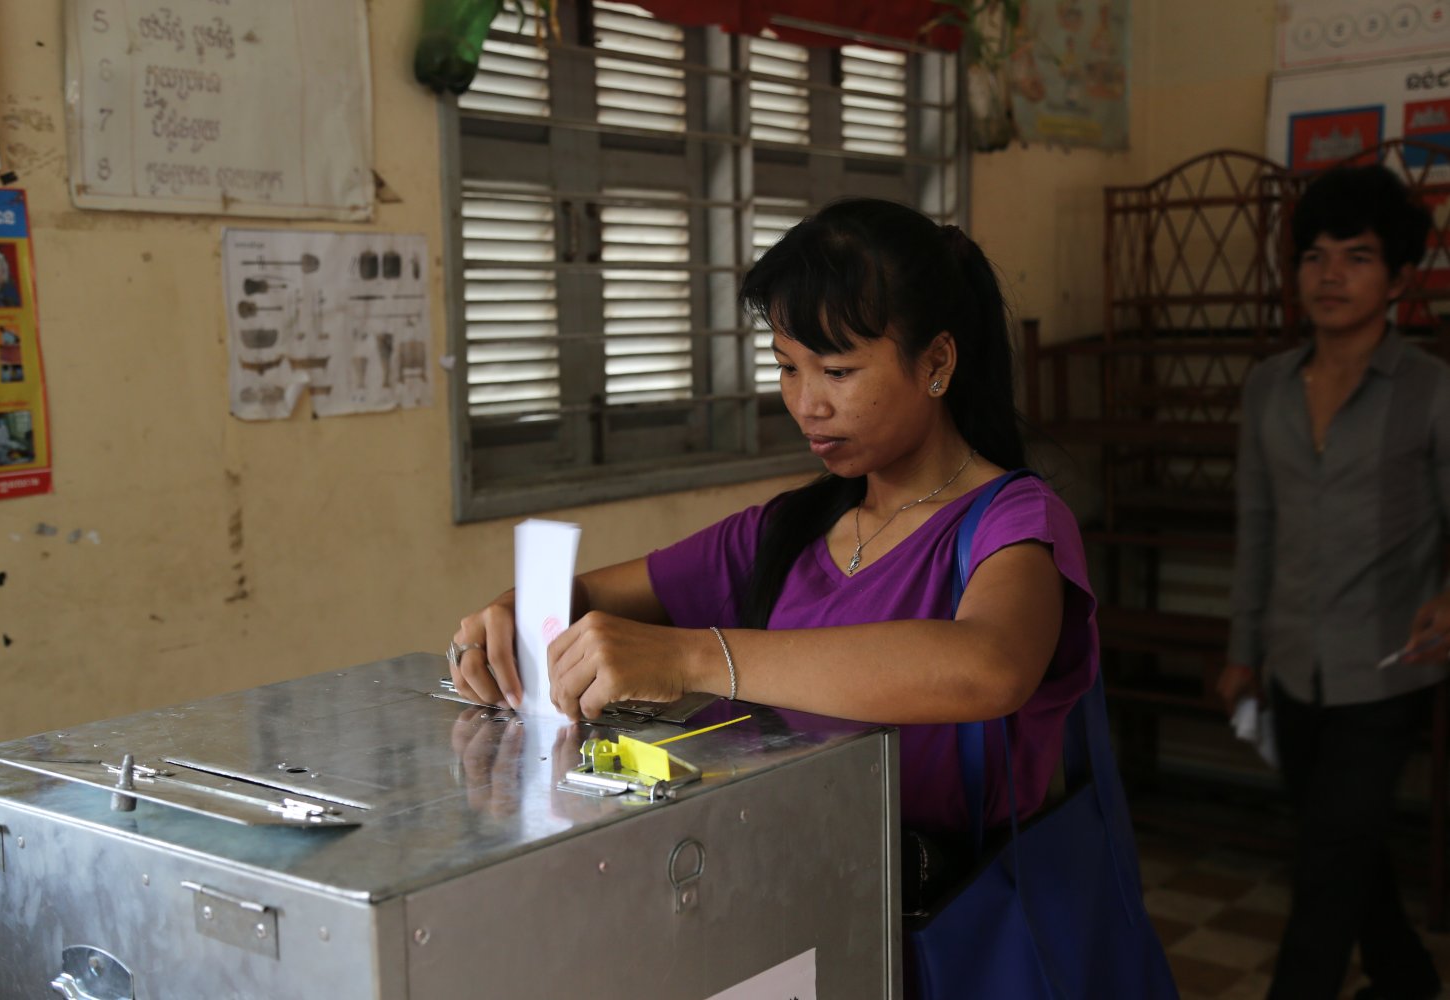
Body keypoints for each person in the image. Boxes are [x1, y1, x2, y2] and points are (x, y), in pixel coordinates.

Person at [451, 198, 1100, 930]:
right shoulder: (788, 532)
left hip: (950, 926)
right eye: (788, 369)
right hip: (787, 902)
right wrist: (509, 617)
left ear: (937, 362)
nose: (807, 405)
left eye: (838, 370)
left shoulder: (1015, 522)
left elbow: (988, 666)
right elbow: (579, 600)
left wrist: (695, 657)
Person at [1217, 163, 1447, 1000]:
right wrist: (1244, 652)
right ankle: (1406, 975)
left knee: (1323, 872)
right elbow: (1259, 527)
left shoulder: (1431, 391)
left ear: (1397, 275)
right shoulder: (1269, 389)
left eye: (1356, 256)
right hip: (1291, 664)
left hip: (1386, 667)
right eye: (1315, 256)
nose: (1331, 275)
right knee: (1342, 845)